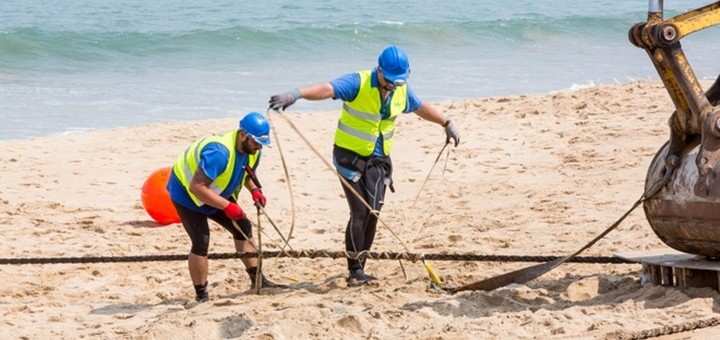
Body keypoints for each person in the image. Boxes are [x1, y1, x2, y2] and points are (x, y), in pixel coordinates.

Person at [268, 45, 460, 286]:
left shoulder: (401, 90)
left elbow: (419, 107)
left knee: (374, 213)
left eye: (397, 82)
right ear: (379, 70)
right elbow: (328, 89)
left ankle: (362, 267)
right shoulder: (358, 83)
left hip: (379, 161)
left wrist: (446, 123)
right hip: (349, 157)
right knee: (360, 212)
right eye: (389, 80)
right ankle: (354, 270)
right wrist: (296, 94)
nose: (392, 85)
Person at [167, 111, 284, 302]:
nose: (259, 147)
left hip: (215, 190)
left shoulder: (253, 151)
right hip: (187, 194)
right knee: (201, 240)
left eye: (262, 143)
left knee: (244, 228)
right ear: (243, 134)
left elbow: (246, 173)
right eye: (256, 142)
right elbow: (196, 187)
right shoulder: (219, 153)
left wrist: (255, 190)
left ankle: (258, 280)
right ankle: (201, 296)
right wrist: (227, 206)